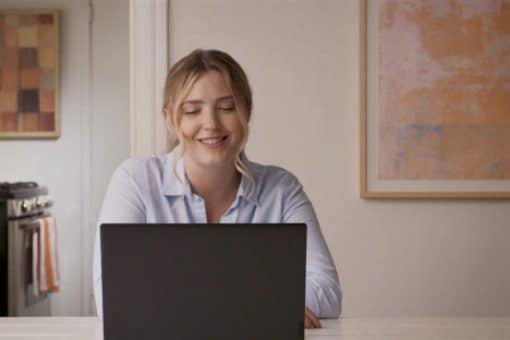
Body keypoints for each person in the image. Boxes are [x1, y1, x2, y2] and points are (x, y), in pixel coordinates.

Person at [93, 49, 341, 328]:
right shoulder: (135, 181)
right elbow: (112, 299)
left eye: (226, 107)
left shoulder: (281, 189)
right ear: (170, 120)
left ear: (247, 112)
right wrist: (264, 305)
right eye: (192, 111)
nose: (211, 124)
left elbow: (328, 291)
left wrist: (185, 305)